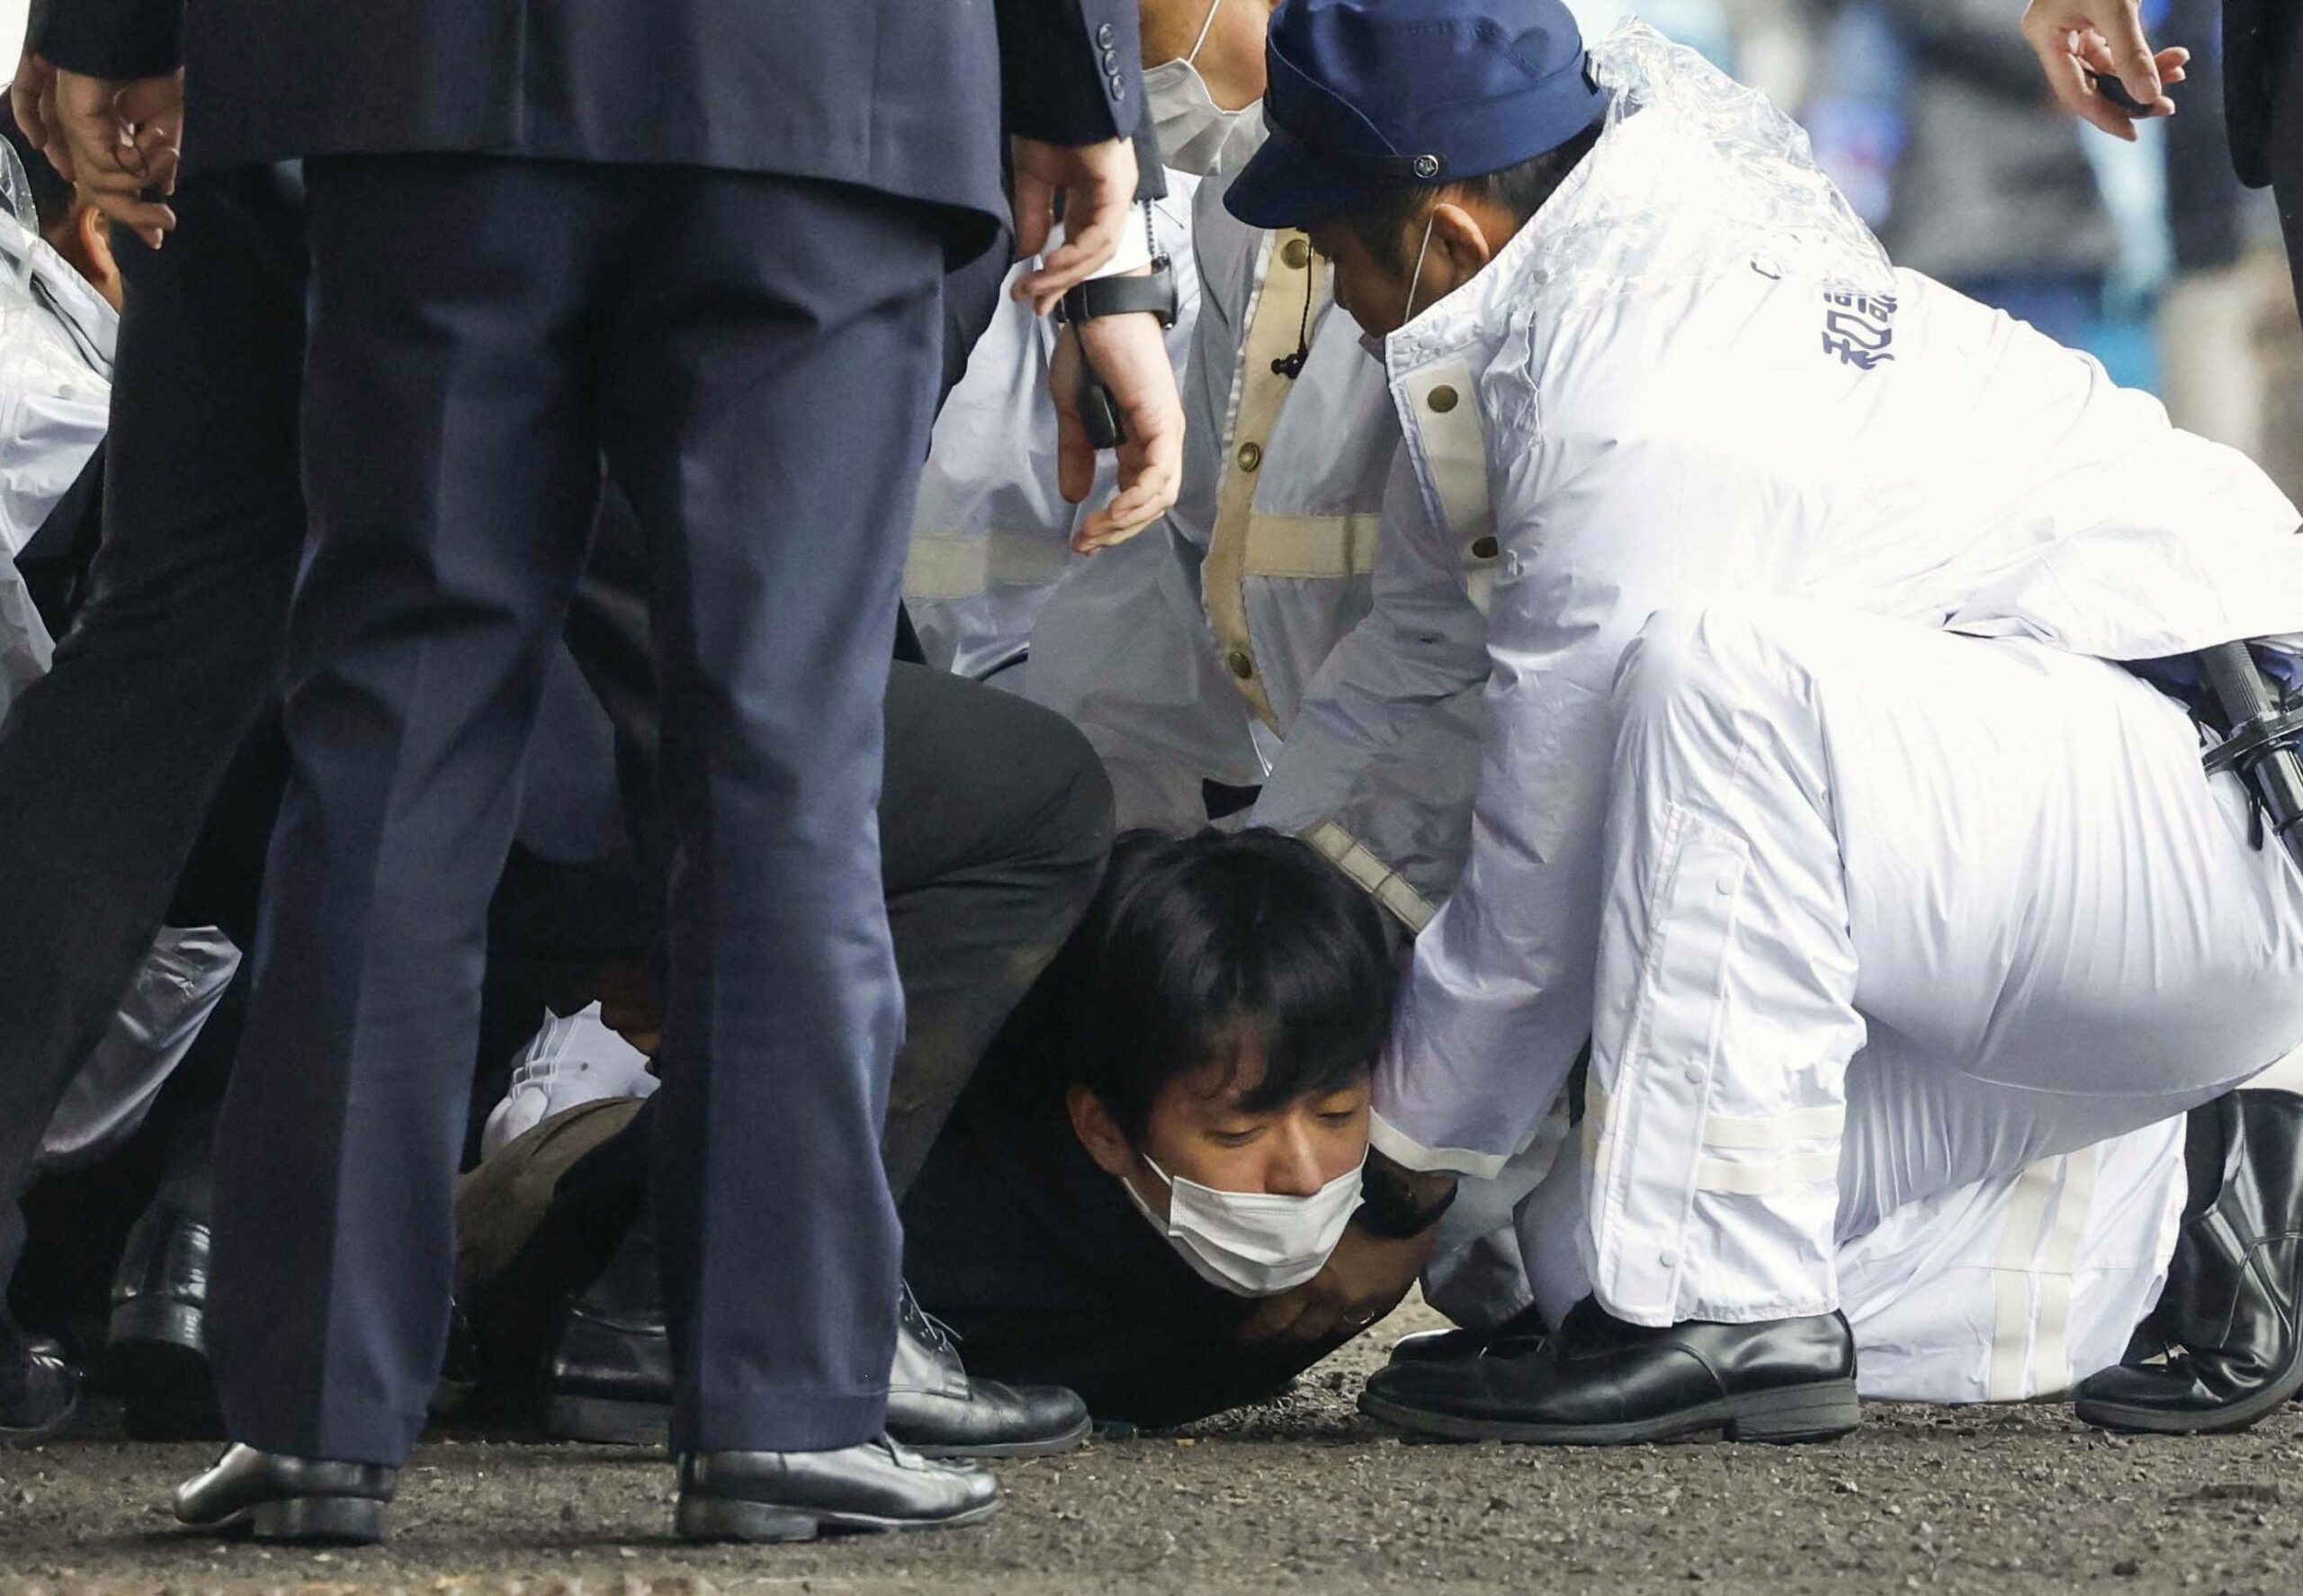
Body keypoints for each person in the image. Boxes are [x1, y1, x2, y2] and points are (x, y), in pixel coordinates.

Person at [29, 0, 1181, 1549]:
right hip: (822, 89)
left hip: (418, 79)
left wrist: (110, 24)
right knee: (780, 747)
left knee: (391, 729)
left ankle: (308, 1411)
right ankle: (779, 1401)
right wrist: (1087, 117)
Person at [1218, 0, 2303, 1447]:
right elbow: (1418, 669)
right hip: (2054, 839)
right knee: (1565, 1256)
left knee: (1717, 688)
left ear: (1451, 232)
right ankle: (2196, 1201)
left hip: (2223, 799)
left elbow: (1541, 872)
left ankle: (1723, 1313)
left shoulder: (1635, 393)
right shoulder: (1564, 253)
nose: (1337, 296)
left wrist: (1396, 1183)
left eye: (1334, 250)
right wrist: (1246, 918)